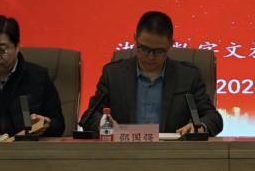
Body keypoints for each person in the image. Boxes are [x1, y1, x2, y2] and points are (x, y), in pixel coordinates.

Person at [81, 11, 223, 135]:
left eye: (158, 51)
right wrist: (104, 125)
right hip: (123, 149)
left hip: (172, 151)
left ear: (170, 45)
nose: (150, 57)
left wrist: (199, 127)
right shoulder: (114, 74)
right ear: (135, 39)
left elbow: (213, 117)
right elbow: (89, 116)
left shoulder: (187, 76)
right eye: (144, 49)